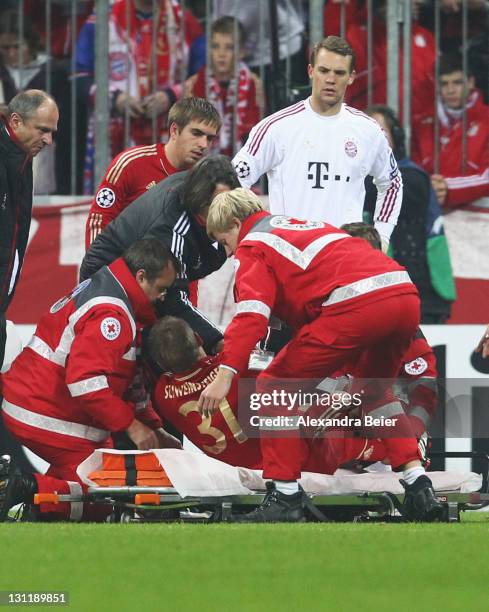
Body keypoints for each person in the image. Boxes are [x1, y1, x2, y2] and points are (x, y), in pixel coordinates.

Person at [198, 188, 443, 522]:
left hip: (357, 305)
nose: (227, 253)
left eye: (223, 241)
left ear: (236, 223)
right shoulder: (304, 225)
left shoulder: (254, 245)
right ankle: (419, 487)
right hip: (404, 293)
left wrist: (225, 374)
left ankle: (285, 496)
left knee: (274, 385)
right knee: (373, 390)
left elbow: (252, 316)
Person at [0, 238, 181, 522]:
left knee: (84, 481)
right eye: (161, 289)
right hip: (46, 412)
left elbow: (126, 380)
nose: (162, 297)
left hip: (34, 400)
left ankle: (37, 502)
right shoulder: (113, 315)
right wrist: (133, 428)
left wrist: (155, 429)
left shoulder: (109, 289)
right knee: (109, 495)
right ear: (141, 277)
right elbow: (86, 383)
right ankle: (23, 489)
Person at [146, 316, 391, 475]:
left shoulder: (162, 395)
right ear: (199, 339)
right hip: (287, 459)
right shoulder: (236, 365)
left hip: (241, 469)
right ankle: (390, 449)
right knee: (332, 398)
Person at [231, 36, 403, 251]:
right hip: (289, 256)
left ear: (351, 77)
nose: (330, 79)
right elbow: (235, 181)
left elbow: (392, 183)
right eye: (324, 71)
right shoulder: (276, 127)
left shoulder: (368, 131)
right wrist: (251, 231)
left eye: (339, 73)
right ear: (311, 71)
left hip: (344, 257)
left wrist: (382, 236)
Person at [80, 155, 240, 355]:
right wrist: (217, 341)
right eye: (216, 205)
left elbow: (196, 264)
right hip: (107, 278)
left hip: (132, 272)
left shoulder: (193, 189)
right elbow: (173, 299)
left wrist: (221, 250)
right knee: (161, 349)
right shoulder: (171, 227)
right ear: (200, 197)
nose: (221, 211)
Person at [85, 97, 222, 247]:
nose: (203, 144)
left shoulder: (203, 181)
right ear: (174, 130)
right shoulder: (131, 163)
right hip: (122, 265)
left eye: (209, 138)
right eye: (196, 133)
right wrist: (98, 268)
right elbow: (99, 219)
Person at [364, 105, 456, 323]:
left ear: (396, 137)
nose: (374, 138)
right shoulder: (355, 178)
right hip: (375, 294)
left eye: (381, 131)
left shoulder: (413, 178)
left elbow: (381, 192)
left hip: (421, 292)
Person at [0, 89, 59, 370]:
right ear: (15, 122)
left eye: (52, 132)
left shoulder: (21, 156)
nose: (49, 140)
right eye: (43, 130)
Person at [0, 11, 72, 194]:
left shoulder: (53, 72)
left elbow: (63, 119)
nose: (10, 53)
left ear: (30, 44)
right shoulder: (2, 73)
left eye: (16, 47)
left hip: (44, 153)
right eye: (4, 48)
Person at [412, 54, 489, 210]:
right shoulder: (422, 122)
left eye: (457, 83)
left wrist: (448, 188)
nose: (451, 90)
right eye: (444, 84)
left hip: (478, 216)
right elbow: (413, 167)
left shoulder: (486, 119)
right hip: (430, 214)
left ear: (471, 82)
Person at [345, 0, 436, 123]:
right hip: (370, 126)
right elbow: (333, 27)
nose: (416, 3)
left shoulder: (425, 36)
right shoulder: (359, 35)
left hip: (418, 129)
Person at [184, 16, 263, 157]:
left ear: (242, 52)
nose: (221, 54)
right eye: (215, 47)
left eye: (229, 47)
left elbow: (255, 131)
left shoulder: (252, 83)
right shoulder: (197, 82)